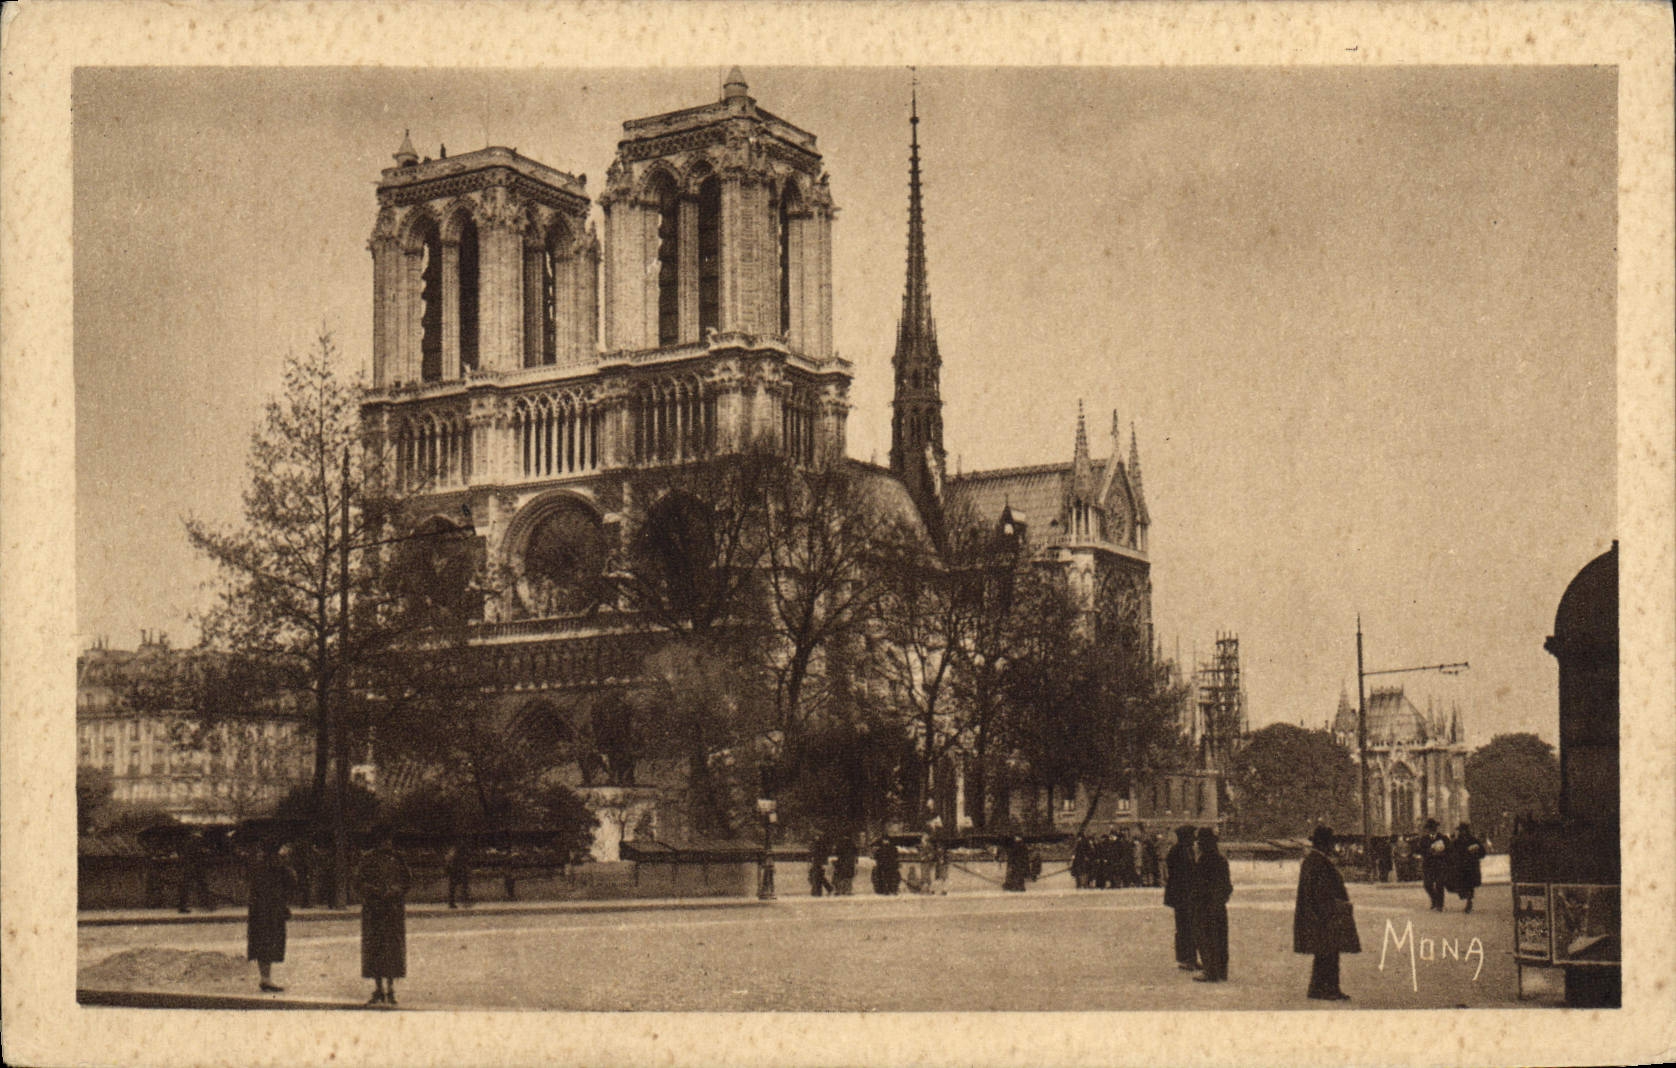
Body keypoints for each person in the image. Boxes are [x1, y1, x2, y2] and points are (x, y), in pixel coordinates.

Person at [1294, 824, 1354, 1001]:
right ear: (1324, 844)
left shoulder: (1313, 860)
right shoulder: (1318, 862)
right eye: (1329, 843)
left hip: (1318, 914)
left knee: (1325, 954)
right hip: (1324, 915)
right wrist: (1333, 909)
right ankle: (1327, 989)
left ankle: (1320, 988)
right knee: (1328, 954)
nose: (1331, 847)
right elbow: (1321, 892)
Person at [355, 824, 412, 1006]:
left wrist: (396, 890)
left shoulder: (399, 859)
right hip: (374, 909)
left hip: (393, 909)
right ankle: (378, 987)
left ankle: (391, 988)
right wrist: (372, 890)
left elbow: (407, 881)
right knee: (375, 948)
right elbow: (358, 882)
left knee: (392, 949)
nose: (386, 844)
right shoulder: (367, 860)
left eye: (388, 840)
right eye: (382, 840)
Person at [246, 839, 296, 992]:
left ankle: (265, 977)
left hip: (258, 909)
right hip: (272, 909)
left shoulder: (257, 863)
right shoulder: (277, 864)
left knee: (261, 942)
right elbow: (292, 880)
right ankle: (266, 979)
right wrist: (286, 860)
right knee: (270, 940)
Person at [1190, 827, 1232, 982]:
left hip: (1204, 906)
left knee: (1205, 937)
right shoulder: (1221, 859)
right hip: (1219, 906)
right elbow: (1227, 886)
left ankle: (1210, 971)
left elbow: (1198, 885)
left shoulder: (1203, 861)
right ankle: (1222, 970)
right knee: (1220, 938)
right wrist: (1221, 899)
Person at [1163, 825, 1198, 970]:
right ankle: (1186, 959)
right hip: (1182, 895)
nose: (1194, 839)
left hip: (1185, 894)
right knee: (1185, 927)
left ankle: (1190, 959)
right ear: (1185, 837)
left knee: (1189, 926)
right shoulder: (1179, 851)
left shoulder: (1185, 850)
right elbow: (1180, 873)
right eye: (1191, 836)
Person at [1447, 822, 1484, 913]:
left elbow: (1482, 852)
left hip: (1471, 866)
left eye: (1463, 830)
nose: (1461, 832)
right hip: (1461, 867)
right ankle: (1467, 898)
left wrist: (1476, 852)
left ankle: (1469, 901)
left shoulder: (1473, 840)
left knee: (1469, 885)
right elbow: (1451, 853)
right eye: (1460, 831)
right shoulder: (1456, 842)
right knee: (1462, 885)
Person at [1418, 818, 1450, 911]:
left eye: (1433, 828)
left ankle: (1440, 905)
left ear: (1436, 828)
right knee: (1427, 884)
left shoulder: (1443, 838)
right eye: (1429, 828)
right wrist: (1430, 851)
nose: (1431, 830)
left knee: (1440, 884)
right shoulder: (1424, 839)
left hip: (1440, 865)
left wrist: (1442, 853)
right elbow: (1420, 851)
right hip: (1428, 865)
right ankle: (1434, 899)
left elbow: (1449, 850)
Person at [445, 838, 473, 909]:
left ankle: (454, 903)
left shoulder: (452, 852)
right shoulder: (458, 852)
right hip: (458, 871)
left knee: (454, 888)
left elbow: (448, 862)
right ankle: (464, 902)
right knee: (462, 887)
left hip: (455, 871)